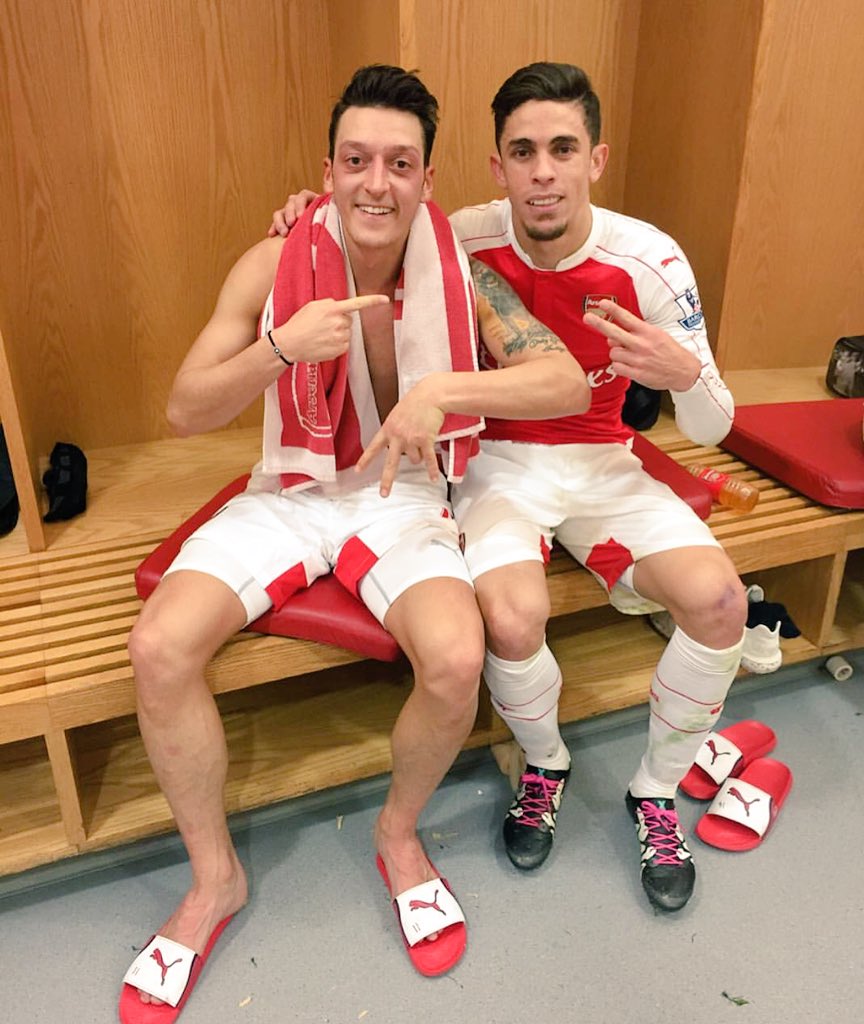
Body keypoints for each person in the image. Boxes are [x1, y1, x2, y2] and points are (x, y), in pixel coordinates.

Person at [119, 64, 587, 1019]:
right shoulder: (272, 263)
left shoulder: (461, 272)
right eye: (357, 160)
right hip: (288, 491)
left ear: (427, 177)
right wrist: (280, 347)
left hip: (400, 494)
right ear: (328, 170)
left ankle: (398, 833)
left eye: (399, 164)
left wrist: (441, 391)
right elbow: (182, 409)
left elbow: (566, 382)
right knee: (158, 647)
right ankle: (215, 881)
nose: (377, 182)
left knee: (456, 660)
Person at [272, 62, 746, 915]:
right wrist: (306, 214)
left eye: (563, 149)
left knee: (721, 602)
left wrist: (682, 376)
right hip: (498, 464)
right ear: (498, 165)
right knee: (514, 617)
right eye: (523, 152)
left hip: (606, 461)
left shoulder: (651, 257)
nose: (543, 173)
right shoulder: (461, 235)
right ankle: (545, 763)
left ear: (596, 159)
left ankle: (654, 790)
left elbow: (715, 426)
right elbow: (365, 222)